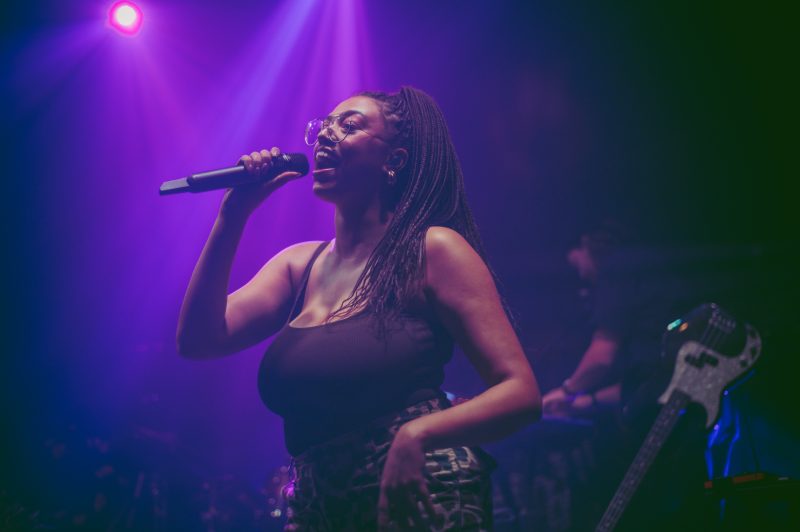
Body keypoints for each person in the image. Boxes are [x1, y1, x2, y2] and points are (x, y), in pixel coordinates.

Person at [176, 86, 541, 531]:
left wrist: (417, 435)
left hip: (420, 496)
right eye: (323, 126)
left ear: (395, 159)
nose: (325, 134)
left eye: (349, 126)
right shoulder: (298, 266)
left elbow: (520, 393)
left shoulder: (432, 251)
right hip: (319, 507)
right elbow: (198, 340)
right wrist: (232, 216)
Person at [542, 226, 711, 530]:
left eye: (576, 264)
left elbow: (602, 356)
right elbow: (646, 385)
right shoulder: (656, 271)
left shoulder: (616, 268)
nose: (582, 276)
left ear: (584, 244)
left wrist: (566, 391)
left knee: (634, 505)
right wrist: (585, 401)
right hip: (686, 410)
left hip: (654, 417)